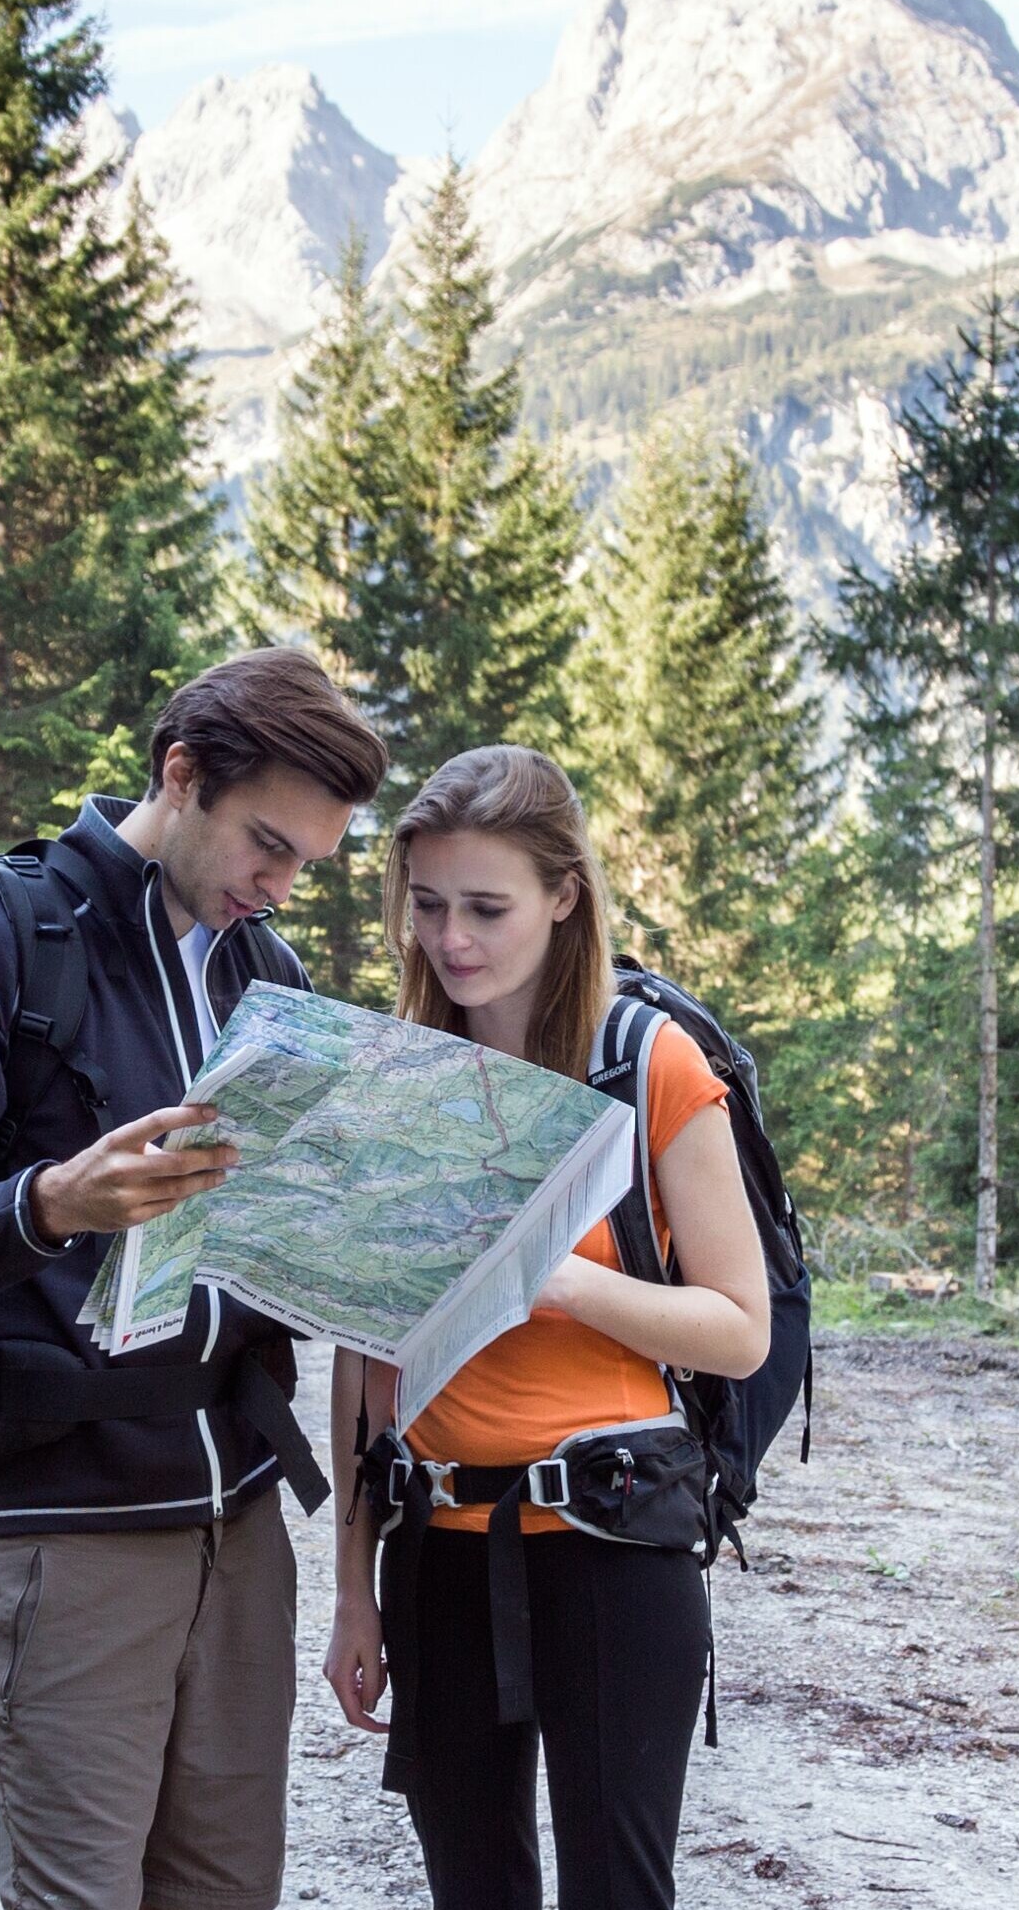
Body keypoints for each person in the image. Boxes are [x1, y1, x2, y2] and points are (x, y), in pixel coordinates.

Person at [0, 648, 391, 1910]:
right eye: (265, 845)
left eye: (304, 866)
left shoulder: (272, 981)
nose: (275, 888)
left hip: (239, 1519)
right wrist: (49, 1205)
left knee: (226, 1895)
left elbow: (279, 1252)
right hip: (61, 1523)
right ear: (181, 774)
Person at [319, 746, 774, 1910]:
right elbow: (363, 1353)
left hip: (613, 1546)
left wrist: (550, 1279)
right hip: (435, 1549)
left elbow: (736, 1329)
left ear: (564, 895)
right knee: (471, 1892)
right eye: (426, 906)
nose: (451, 940)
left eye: (486, 908)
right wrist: (353, 1589)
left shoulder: (647, 1064)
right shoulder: (399, 1076)